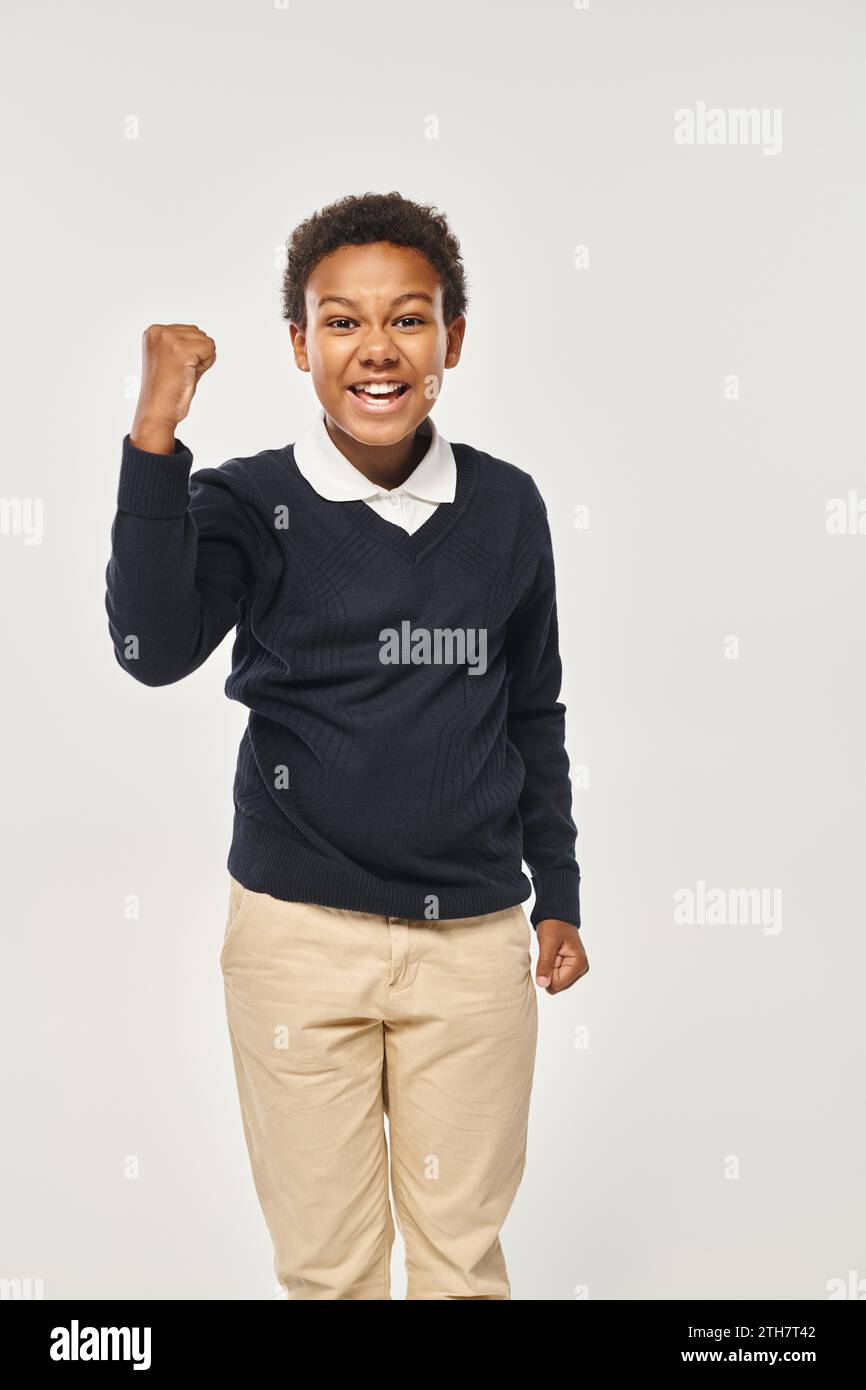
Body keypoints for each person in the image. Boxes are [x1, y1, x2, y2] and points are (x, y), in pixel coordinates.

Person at [104, 191, 589, 1300]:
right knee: (328, 1269)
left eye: (408, 319)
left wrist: (555, 888)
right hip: (296, 939)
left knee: (460, 1262)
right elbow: (150, 646)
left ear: (450, 341)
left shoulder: (506, 507)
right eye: (340, 321)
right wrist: (154, 439)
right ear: (298, 343)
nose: (376, 349)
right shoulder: (245, 499)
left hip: (469, 942)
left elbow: (532, 708)